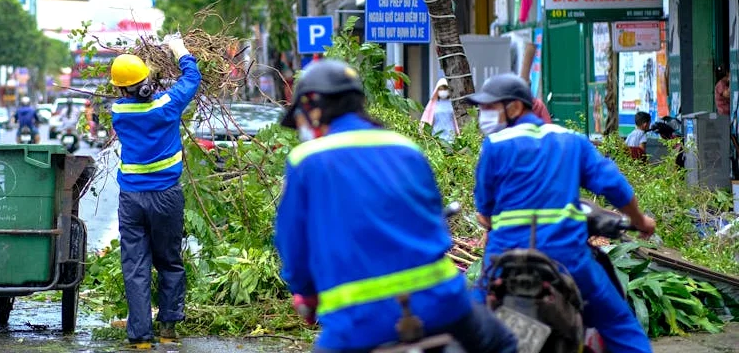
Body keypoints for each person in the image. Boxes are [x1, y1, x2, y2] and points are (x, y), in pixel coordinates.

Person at [274, 59, 517, 353]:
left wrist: (306, 296)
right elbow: (433, 217)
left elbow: (293, 248)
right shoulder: (405, 147)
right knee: (504, 344)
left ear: (313, 106)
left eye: (298, 117)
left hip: (357, 323)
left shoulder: (305, 160)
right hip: (442, 305)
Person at [468, 73, 656, 353]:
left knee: (469, 326)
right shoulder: (571, 141)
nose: (484, 114)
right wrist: (641, 221)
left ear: (516, 108)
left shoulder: (494, 146)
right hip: (567, 260)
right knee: (619, 324)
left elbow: (485, 210)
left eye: (490, 107)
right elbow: (614, 185)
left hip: (503, 260)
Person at [109, 37, 201, 348]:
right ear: (148, 81)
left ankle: (140, 338)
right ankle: (169, 329)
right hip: (166, 197)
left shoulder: (119, 112)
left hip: (131, 199)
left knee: (135, 266)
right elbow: (192, 78)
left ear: (121, 89)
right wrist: (180, 50)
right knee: (169, 261)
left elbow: (137, 97)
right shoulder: (167, 106)